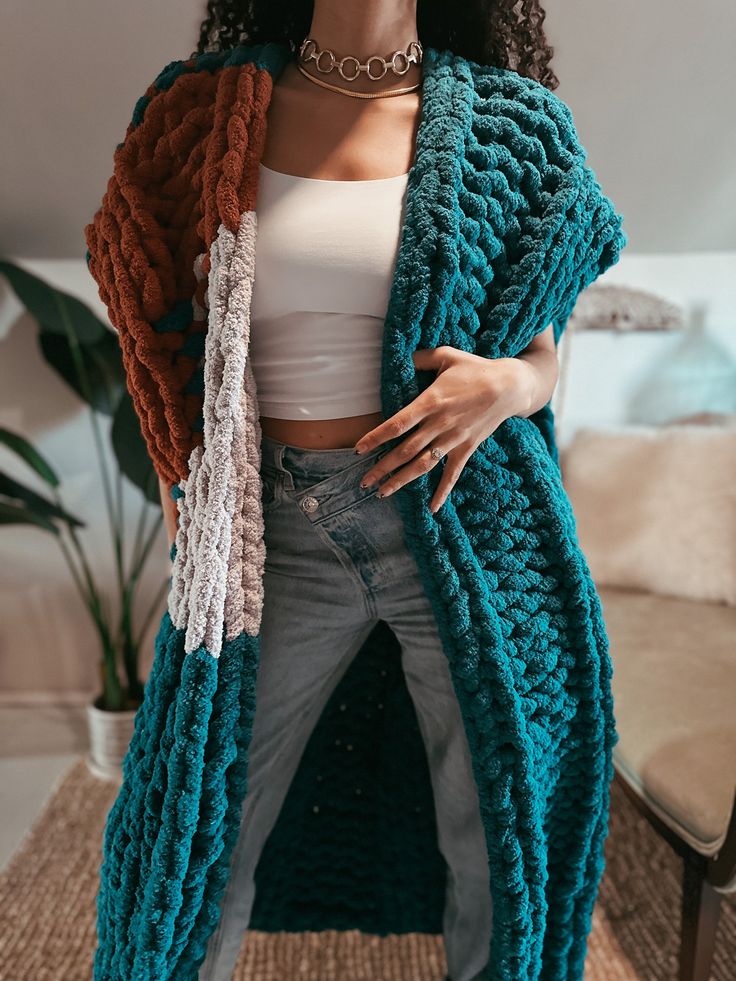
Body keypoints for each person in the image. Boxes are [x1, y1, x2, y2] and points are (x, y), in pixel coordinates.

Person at [181, 2, 559, 980]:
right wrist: (184, 472)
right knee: (203, 824)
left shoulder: (510, 122)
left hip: (462, 524)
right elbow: (162, 329)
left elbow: (542, 345)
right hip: (273, 536)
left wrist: (508, 384)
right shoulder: (206, 110)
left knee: (499, 836)